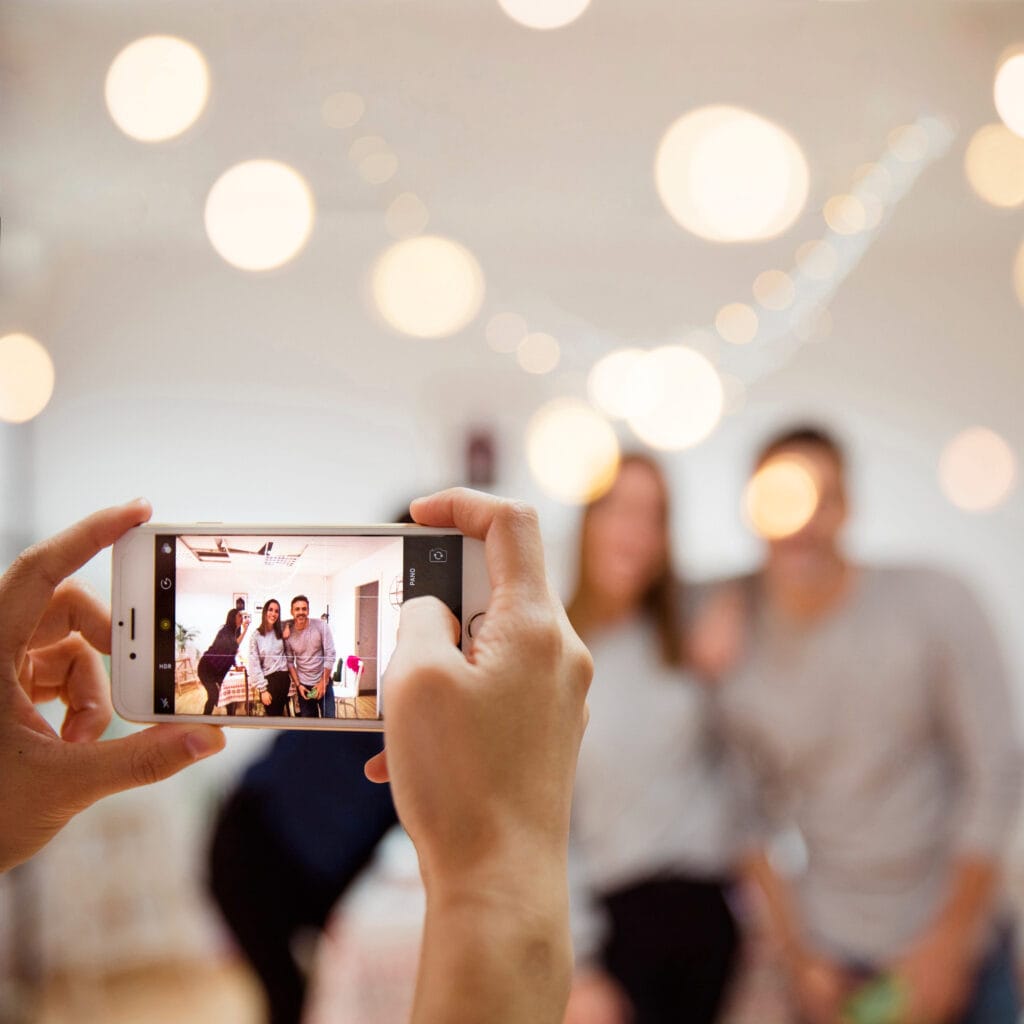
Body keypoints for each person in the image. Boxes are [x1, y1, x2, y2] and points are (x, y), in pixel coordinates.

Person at [0, 491, 591, 1024]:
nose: (296, 618)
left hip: (306, 863)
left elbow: (376, 813)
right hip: (250, 847)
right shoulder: (301, 655)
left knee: (298, 995)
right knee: (288, 998)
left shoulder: (400, 698)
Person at [712, 426, 1022, 1024]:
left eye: (821, 498)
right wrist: (799, 958)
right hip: (835, 960)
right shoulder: (736, 644)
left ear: (847, 507)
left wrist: (948, 944)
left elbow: (997, 772)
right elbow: (747, 820)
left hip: (959, 950)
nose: (801, 521)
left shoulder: (935, 603)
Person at [562, 454, 743, 1024]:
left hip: (707, 911)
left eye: (654, 516)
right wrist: (580, 963)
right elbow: (547, 824)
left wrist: (736, 603)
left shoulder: (680, 631)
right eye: (620, 509)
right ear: (588, 521)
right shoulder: (557, 653)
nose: (636, 531)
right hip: (614, 921)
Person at [285, 594, 336, 719]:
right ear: (292, 611)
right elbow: (290, 662)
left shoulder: (321, 626)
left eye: (304, 608)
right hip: (304, 687)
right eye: (297, 609)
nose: (301, 612)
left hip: (323, 682)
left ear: (308, 610)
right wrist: (298, 685)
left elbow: (330, 654)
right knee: (309, 726)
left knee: (330, 724)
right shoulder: (288, 633)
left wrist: (323, 682)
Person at [196, 606, 249, 715]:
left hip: (217, 670)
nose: (242, 618)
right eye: (239, 616)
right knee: (213, 697)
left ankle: (230, 716)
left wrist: (235, 665)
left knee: (228, 694)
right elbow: (234, 646)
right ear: (232, 618)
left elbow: (230, 653)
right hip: (206, 668)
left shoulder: (233, 632)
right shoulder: (225, 632)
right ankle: (205, 719)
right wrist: (245, 630)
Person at [248, 598, 292, 717]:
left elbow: (293, 620)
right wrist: (263, 690)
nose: (273, 614)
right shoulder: (256, 636)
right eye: (270, 610)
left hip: (284, 678)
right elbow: (254, 664)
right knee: (272, 716)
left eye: (276, 611)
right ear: (264, 612)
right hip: (269, 681)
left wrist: (287, 626)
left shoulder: (279, 631)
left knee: (280, 715)